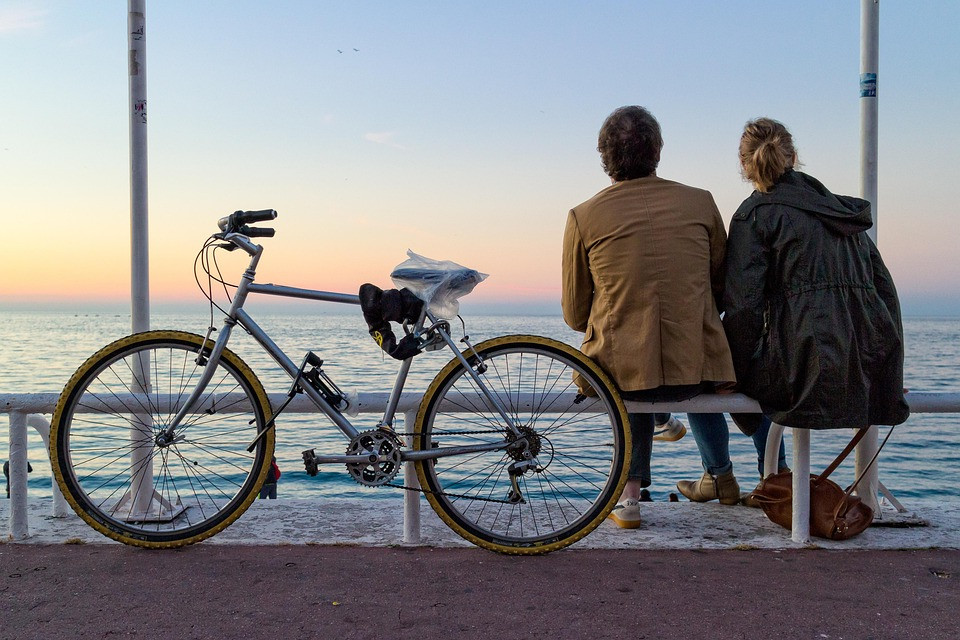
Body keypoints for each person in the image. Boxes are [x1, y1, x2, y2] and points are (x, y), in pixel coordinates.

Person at [562, 105, 742, 529]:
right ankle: (724, 478)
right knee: (683, 363)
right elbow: (721, 284)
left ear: (604, 156)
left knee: (628, 367)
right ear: (658, 150)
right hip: (700, 367)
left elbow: (574, 314)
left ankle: (629, 499)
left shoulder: (583, 216)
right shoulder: (701, 202)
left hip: (626, 373)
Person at [723, 118, 909, 449]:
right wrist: (889, 373)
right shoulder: (839, 212)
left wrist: (728, 375)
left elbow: (744, 311)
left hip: (802, 371)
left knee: (700, 379)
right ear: (793, 156)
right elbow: (885, 294)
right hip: (864, 368)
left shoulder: (753, 216)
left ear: (743, 164)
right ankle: (776, 475)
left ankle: (745, 474)